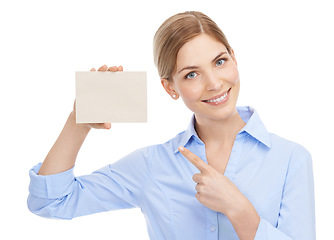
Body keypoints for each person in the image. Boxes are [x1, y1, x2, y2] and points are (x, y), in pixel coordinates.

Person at [27, 11, 316, 240]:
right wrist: (79, 123)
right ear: (170, 88)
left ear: (234, 58)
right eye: (191, 74)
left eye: (220, 61)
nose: (215, 83)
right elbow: (51, 202)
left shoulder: (291, 159)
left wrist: (238, 209)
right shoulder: (154, 164)